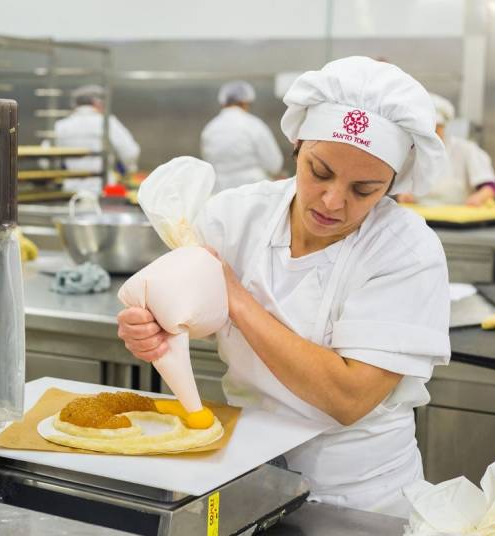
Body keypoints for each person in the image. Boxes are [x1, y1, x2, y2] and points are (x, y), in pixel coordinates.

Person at [117, 57, 451, 516]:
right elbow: (195, 316)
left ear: (393, 184)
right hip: (244, 468)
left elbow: (347, 398)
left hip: (360, 499)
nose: (333, 202)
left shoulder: (406, 251)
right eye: (320, 172)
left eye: (364, 189)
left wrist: (236, 296)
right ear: (296, 145)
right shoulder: (235, 215)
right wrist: (153, 326)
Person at [397, 93, 495, 206]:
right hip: (420, 216)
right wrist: (404, 195)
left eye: (436, 128)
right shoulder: (411, 152)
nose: (430, 133)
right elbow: (399, 185)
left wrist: (478, 198)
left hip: (459, 216)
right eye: (425, 128)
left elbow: (489, 186)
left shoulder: (466, 150)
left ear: (444, 126)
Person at [200, 80, 284, 193]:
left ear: (223, 102)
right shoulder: (253, 124)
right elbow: (274, 164)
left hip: (220, 191)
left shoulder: (209, 129)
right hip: (253, 190)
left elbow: (207, 163)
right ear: (246, 102)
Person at [54, 84, 140, 192]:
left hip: (70, 189)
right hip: (102, 188)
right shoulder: (107, 122)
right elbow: (130, 152)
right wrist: (129, 169)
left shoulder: (61, 126)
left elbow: (46, 158)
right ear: (96, 102)